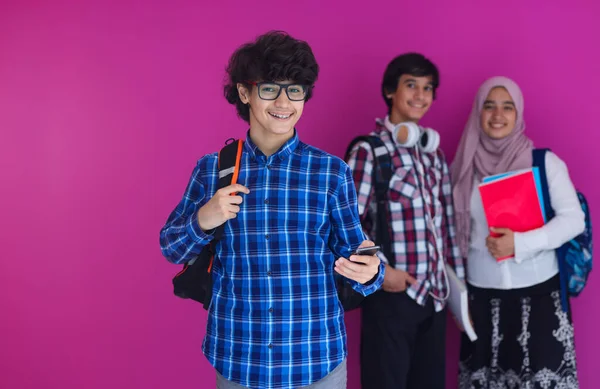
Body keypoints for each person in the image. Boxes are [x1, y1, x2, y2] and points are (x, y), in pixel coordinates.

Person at [159, 31, 384, 389]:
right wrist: (205, 218)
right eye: (270, 88)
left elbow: (359, 257)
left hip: (316, 358)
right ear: (245, 93)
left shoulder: (330, 172)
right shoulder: (212, 169)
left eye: (295, 89)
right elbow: (171, 248)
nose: (284, 101)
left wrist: (371, 271)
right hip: (238, 357)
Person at [450, 76, 585, 388]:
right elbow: (455, 238)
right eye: (489, 106)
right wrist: (458, 298)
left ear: (518, 113)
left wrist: (520, 244)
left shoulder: (543, 163)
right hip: (482, 301)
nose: (498, 115)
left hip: (539, 297)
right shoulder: (461, 168)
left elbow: (573, 220)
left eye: (507, 107)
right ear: (478, 112)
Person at [346, 53, 464, 389]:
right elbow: (347, 226)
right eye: (411, 85)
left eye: (428, 88)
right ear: (389, 91)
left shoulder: (434, 155)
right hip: (392, 298)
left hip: (435, 298)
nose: (420, 95)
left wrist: (459, 290)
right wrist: (383, 274)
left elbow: (447, 229)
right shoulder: (370, 152)